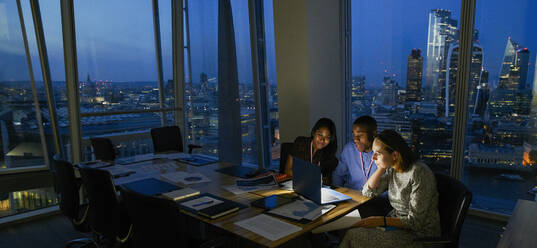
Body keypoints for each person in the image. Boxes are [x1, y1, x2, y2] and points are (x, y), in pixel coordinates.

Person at [339, 129, 441, 248]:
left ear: (395, 155)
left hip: (418, 235)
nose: (373, 158)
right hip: (396, 225)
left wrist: (381, 221)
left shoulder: (419, 173)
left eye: (378, 153)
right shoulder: (393, 168)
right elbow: (367, 192)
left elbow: (415, 222)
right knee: (350, 227)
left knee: (354, 235)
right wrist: (381, 168)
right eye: (373, 153)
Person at [284, 117, 338, 185]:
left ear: (331, 139)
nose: (322, 140)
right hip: (294, 185)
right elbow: (288, 170)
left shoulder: (330, 158)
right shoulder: (300, 143)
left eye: (327, 137)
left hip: (313, 190)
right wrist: (309, 178)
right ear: (314, 132)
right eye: (320, 135)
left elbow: (326, 183)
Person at [332, 116, 378, 190]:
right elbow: (338, 175)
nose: (355, 139)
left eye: (360, 135)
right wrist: (336, 194)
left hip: (376, 199)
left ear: (373, 134)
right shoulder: (349, 149)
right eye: (354, 135)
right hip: (351, 197)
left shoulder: (383, 153)